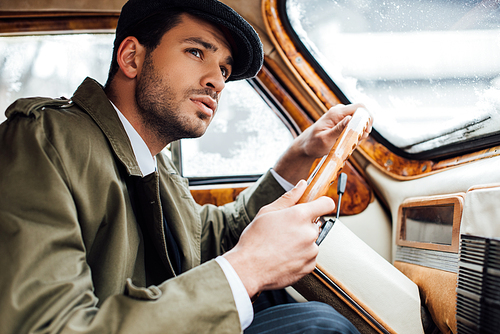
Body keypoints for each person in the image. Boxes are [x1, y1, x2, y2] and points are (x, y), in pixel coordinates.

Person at [0, 0, 371, 333]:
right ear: (131, 57)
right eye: (196, 52)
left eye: (225, 71)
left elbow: (210, 238)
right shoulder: (43, 140)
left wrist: (302, 152)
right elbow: (45, 324)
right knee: (320, 326)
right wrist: (246, 269)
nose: (216, 81)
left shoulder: (154, 159)